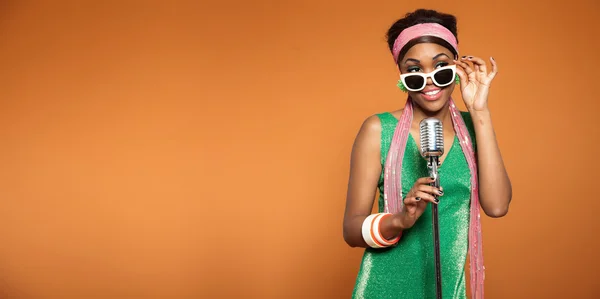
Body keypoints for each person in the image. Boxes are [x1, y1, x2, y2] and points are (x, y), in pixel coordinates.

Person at [342, 9, 512, 299]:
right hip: (384, 290)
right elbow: (351, 230)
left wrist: (480, 110)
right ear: (402, 78)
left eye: (441, 67)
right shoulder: (377, 130)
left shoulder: (474, 130)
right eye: (414, 70)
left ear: (457, 68)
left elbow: (497, 207)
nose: (429, 80)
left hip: (447, 290)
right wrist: (399, 220)